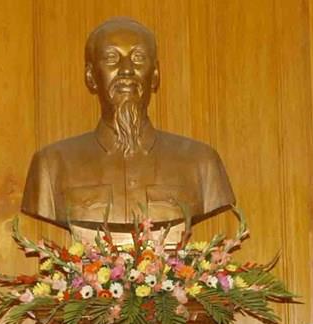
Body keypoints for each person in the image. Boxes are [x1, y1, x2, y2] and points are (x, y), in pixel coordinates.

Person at [21, 17, 235, 239]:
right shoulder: (52, 165)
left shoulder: (201, 162)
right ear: (90, 76)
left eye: (138, 58)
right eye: (111, 58)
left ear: (155, 75)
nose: (126, 70)